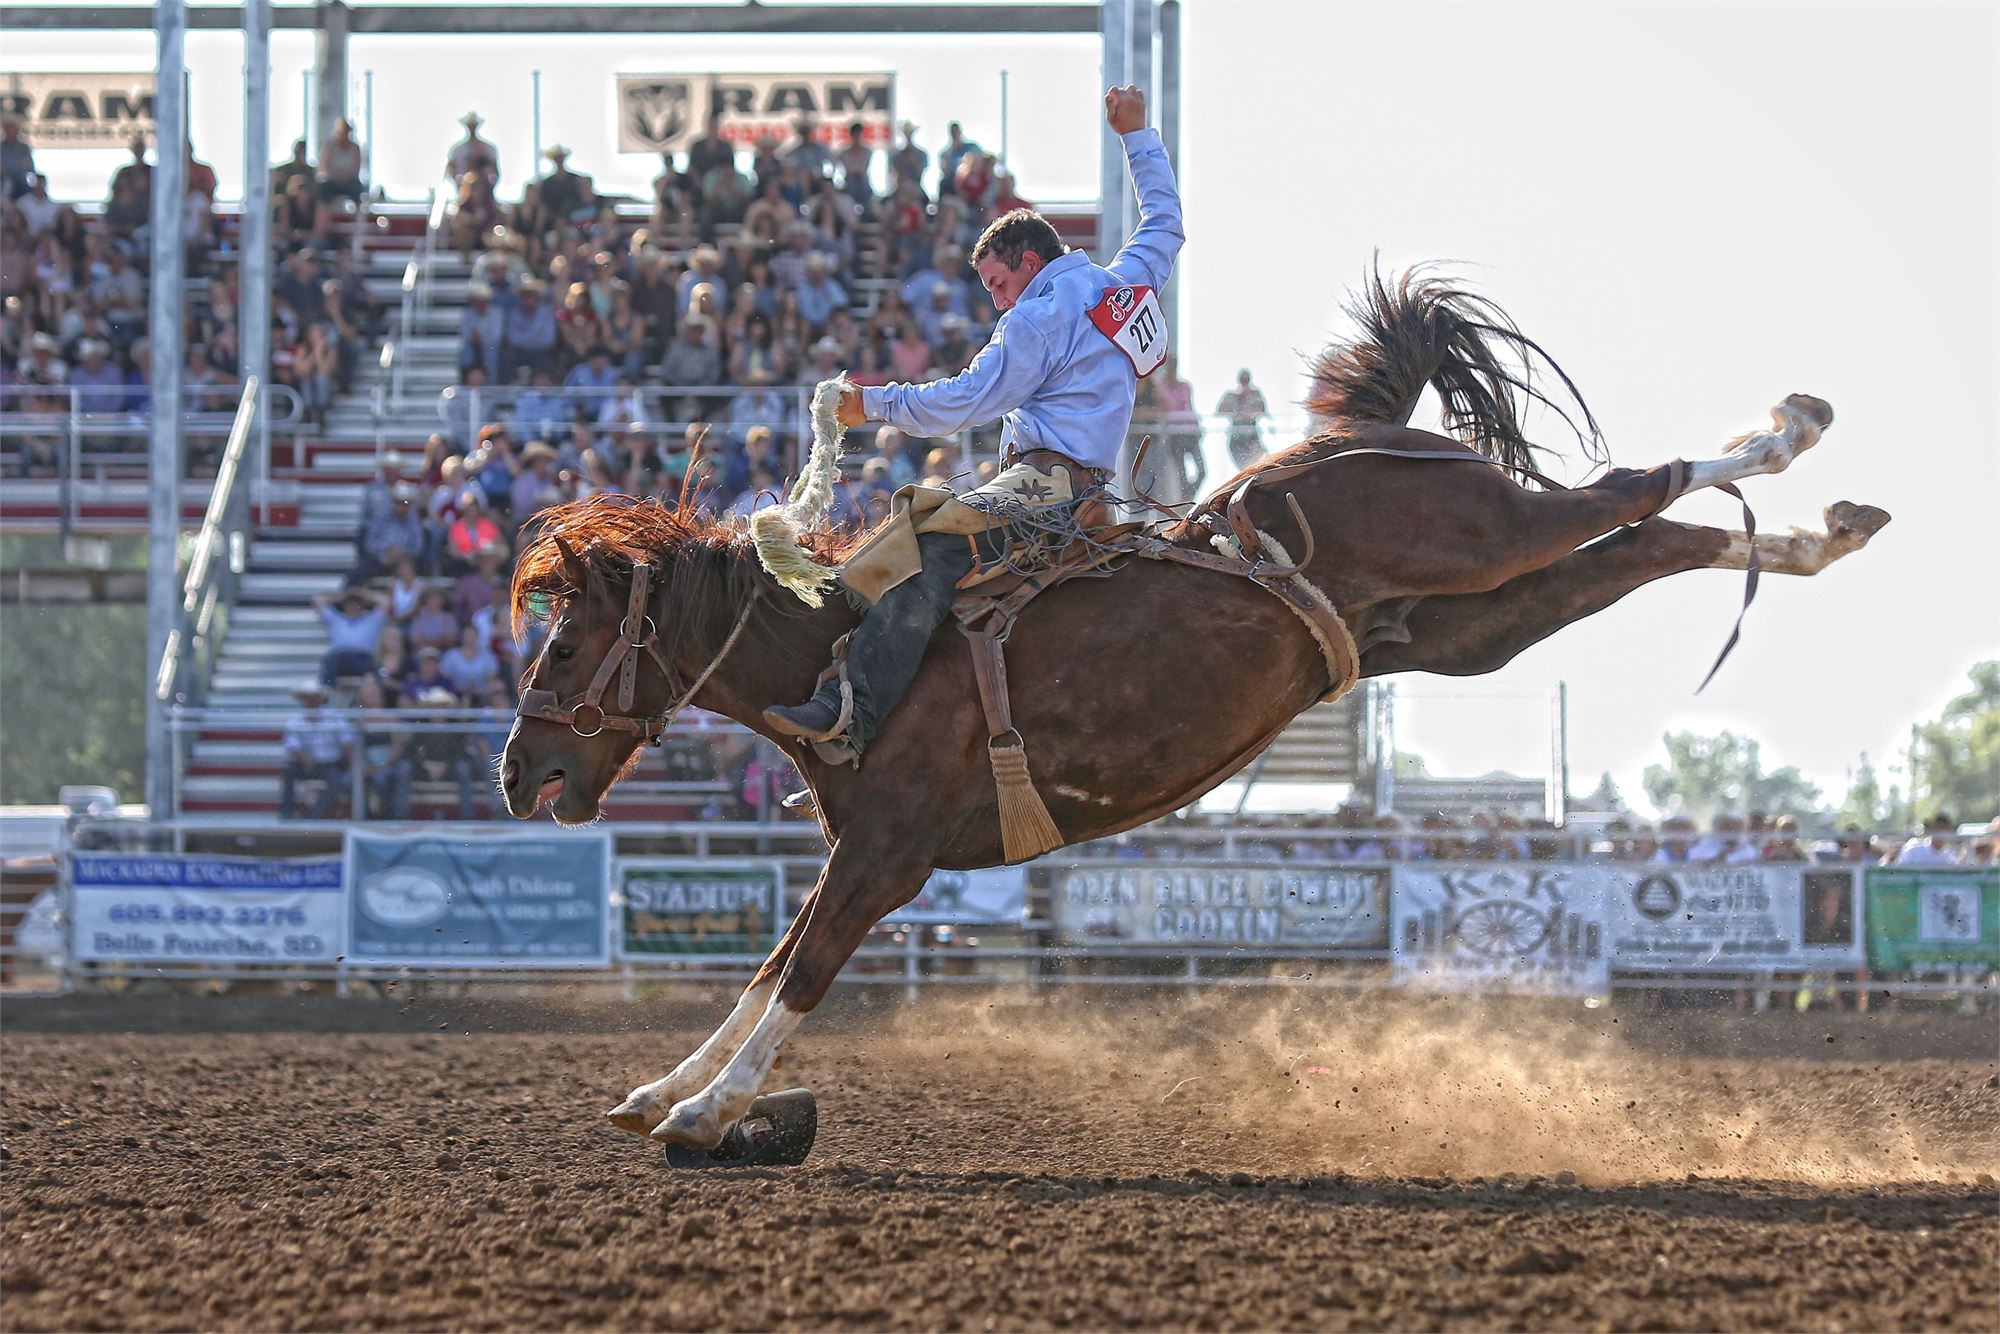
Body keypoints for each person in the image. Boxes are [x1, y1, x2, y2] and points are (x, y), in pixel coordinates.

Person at [764, 86, 1181, 756]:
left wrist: (869, 403)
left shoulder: (1037, 318)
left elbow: (963, 402)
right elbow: (1164, 223)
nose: (995, 300)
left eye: (996, 283)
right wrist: (1138, 134)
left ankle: (854, 715)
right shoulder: (1121, 285)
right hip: (1087, 484)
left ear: (1027, 260)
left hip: (1048, 484)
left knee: (925, 547)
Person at [278, 681, 354, 820]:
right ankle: (286, 813)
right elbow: (292, 745)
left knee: (336, 781)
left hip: (330, 763)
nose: (310, 701)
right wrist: (303, 758)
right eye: (307, 697)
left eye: (314, 697)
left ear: (321, 698)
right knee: (288, 771)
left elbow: (347, 742)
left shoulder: (334, 717)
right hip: (306, 763)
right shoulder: (295, 720)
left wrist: (351, 763)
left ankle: (311, 816)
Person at [312, 585, 389, 683]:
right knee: (330, 660)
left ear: (362, 606)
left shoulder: (371, 620)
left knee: (374, 666)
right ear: (344, 606)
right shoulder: (336, 619)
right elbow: (317, 601)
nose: (353, 607)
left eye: (356, 604)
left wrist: (360, 592)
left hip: (363, 658)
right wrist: (344, 595)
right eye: (350, 604)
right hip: (339, 659)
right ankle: (326, 690)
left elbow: (386, 602)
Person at [1217, 368, 1269, 467]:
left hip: (1251, 433)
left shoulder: (1255, 394)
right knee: (1244, 465)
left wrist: (1248, 415)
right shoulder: (1231, 396)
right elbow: (1221, 409)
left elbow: (1262, 409)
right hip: (1237, 434)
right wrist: (1235, 413)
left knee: (1254, 463)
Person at [1895, 814, 1962, 866]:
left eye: (1944, 829)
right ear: (1931, 830)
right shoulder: (1913, 851)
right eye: (1937, 828)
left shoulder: (1952, 856)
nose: (1940, 833)